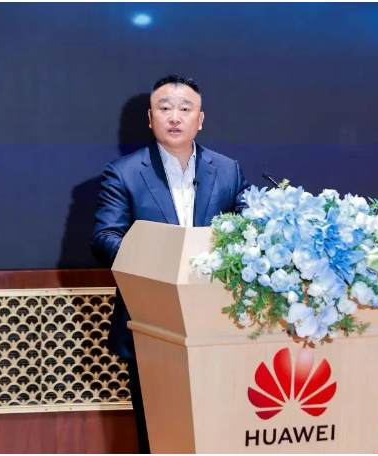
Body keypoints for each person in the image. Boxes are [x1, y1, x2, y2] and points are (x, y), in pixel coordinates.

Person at [91, 74, 250, 453]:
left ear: (200, 119)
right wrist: (162, 262)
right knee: (160, 430)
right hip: (152, 321)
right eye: (165, 108)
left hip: (218, 321)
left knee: (221, 428)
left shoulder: (227, 170)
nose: (175, 116)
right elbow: (104, 237)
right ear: (150, 118)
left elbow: (251, 227)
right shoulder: (124, 173)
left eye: (185, 108)